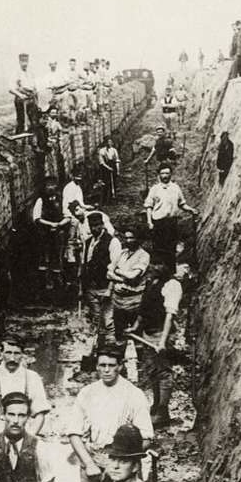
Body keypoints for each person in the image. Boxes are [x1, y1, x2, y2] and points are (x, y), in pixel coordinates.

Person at [67, 346, 153, 482]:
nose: (106, 370)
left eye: (111, 365)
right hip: (93, 463)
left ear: (120, 366)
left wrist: (123, 461)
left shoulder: (133, 394)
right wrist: (89, 464)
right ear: (97, 367)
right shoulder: (87, 393)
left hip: (123, 464)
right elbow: (74, 433)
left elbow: (147, 436)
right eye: (102, 365)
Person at [0, 335, 50, 455]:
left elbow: (40, 414)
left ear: (22, 355)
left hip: (23, 429)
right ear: (0, 354)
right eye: (8, 352)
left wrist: (28, 441)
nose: (12, 358)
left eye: (16, 353)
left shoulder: (33, 378)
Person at [134, 263, 183, 426]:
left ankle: (162, 412)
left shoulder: (173, 286)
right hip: (148, 333)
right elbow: (143, 307)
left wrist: (162, 341)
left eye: (159, 264)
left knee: (163, 371)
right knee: (152, 370)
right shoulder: (152, 282)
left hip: (162, 333)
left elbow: (170, 315)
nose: (154, 267)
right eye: (153, 264)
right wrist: (135, 326)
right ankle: (156, 406)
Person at [144, 163, 198, 272]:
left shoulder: (175, 188)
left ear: (171, 175)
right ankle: (159, 276)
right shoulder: (155, 189)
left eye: (167, 173)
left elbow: (182, 204)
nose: (165, 176)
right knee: (159, 248)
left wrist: (191, 210)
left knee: (171, 248)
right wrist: (149, 222)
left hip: (172, 223)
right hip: (158, 223)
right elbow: (149, 206)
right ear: (159, 175)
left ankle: (171, 274)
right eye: (162, 173)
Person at [83, 212, 122, 348]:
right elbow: (85, 264)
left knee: (108, 320)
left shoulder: (113, 242)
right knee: (96, 319)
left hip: (105, 287)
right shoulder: (88, 242)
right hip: (91, 288)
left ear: (102, 225)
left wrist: (110, 288)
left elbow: (115, 268)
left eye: (96, 226)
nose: (94, 229)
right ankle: (98, 348)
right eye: (91, 226)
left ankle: (111, 349)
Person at [108, 228, 150, 342]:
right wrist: (121, 279)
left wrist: (118, 272)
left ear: (138, 239)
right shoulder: (122, 253)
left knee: (135, 333)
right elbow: (108, 272)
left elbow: (133, 276)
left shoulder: (144, 255)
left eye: (131, 238)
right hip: (118, 300)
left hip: (134, 300)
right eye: (126, 238)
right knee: (119, 332)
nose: (128, 240)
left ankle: (137, 357)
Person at [32, 178, 69, 288]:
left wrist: (60, 224)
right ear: (45, 188)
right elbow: (37, 218)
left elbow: (67, 215)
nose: (51, 188)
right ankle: (45, 282)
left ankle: (58, 281)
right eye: (48, 186)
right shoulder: (40, 200)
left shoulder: (61, 199)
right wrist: (50, 224)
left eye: (53, 185)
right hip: (44, 234)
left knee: (58, 255)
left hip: (57, 233)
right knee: (44, 256)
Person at [10, 53, 37, 134]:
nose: (25, 63)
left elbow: (34, 86)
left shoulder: (31, 72)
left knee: (34, 120)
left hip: (31, 98)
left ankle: (32, 140)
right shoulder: (16, 73)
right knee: (21, 120)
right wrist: (20, 95)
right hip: (21, 99)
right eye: (23, 61)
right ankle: (19, 140)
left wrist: (35, 95)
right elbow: (11, 88)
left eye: (26, 61)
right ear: (19, 62)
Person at [97, 137, 121, 206]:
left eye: (110, 142)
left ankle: (112, 198)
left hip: (113, 167)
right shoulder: (102, 151)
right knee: (106, 184)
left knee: (113, 184)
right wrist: (108, 168)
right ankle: (104, 200)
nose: (109, 143)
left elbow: (117, 160)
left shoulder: (114, 150)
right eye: (108, 142)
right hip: (104, 169)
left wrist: (118, 170)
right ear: (105, 143)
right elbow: (102, 162)